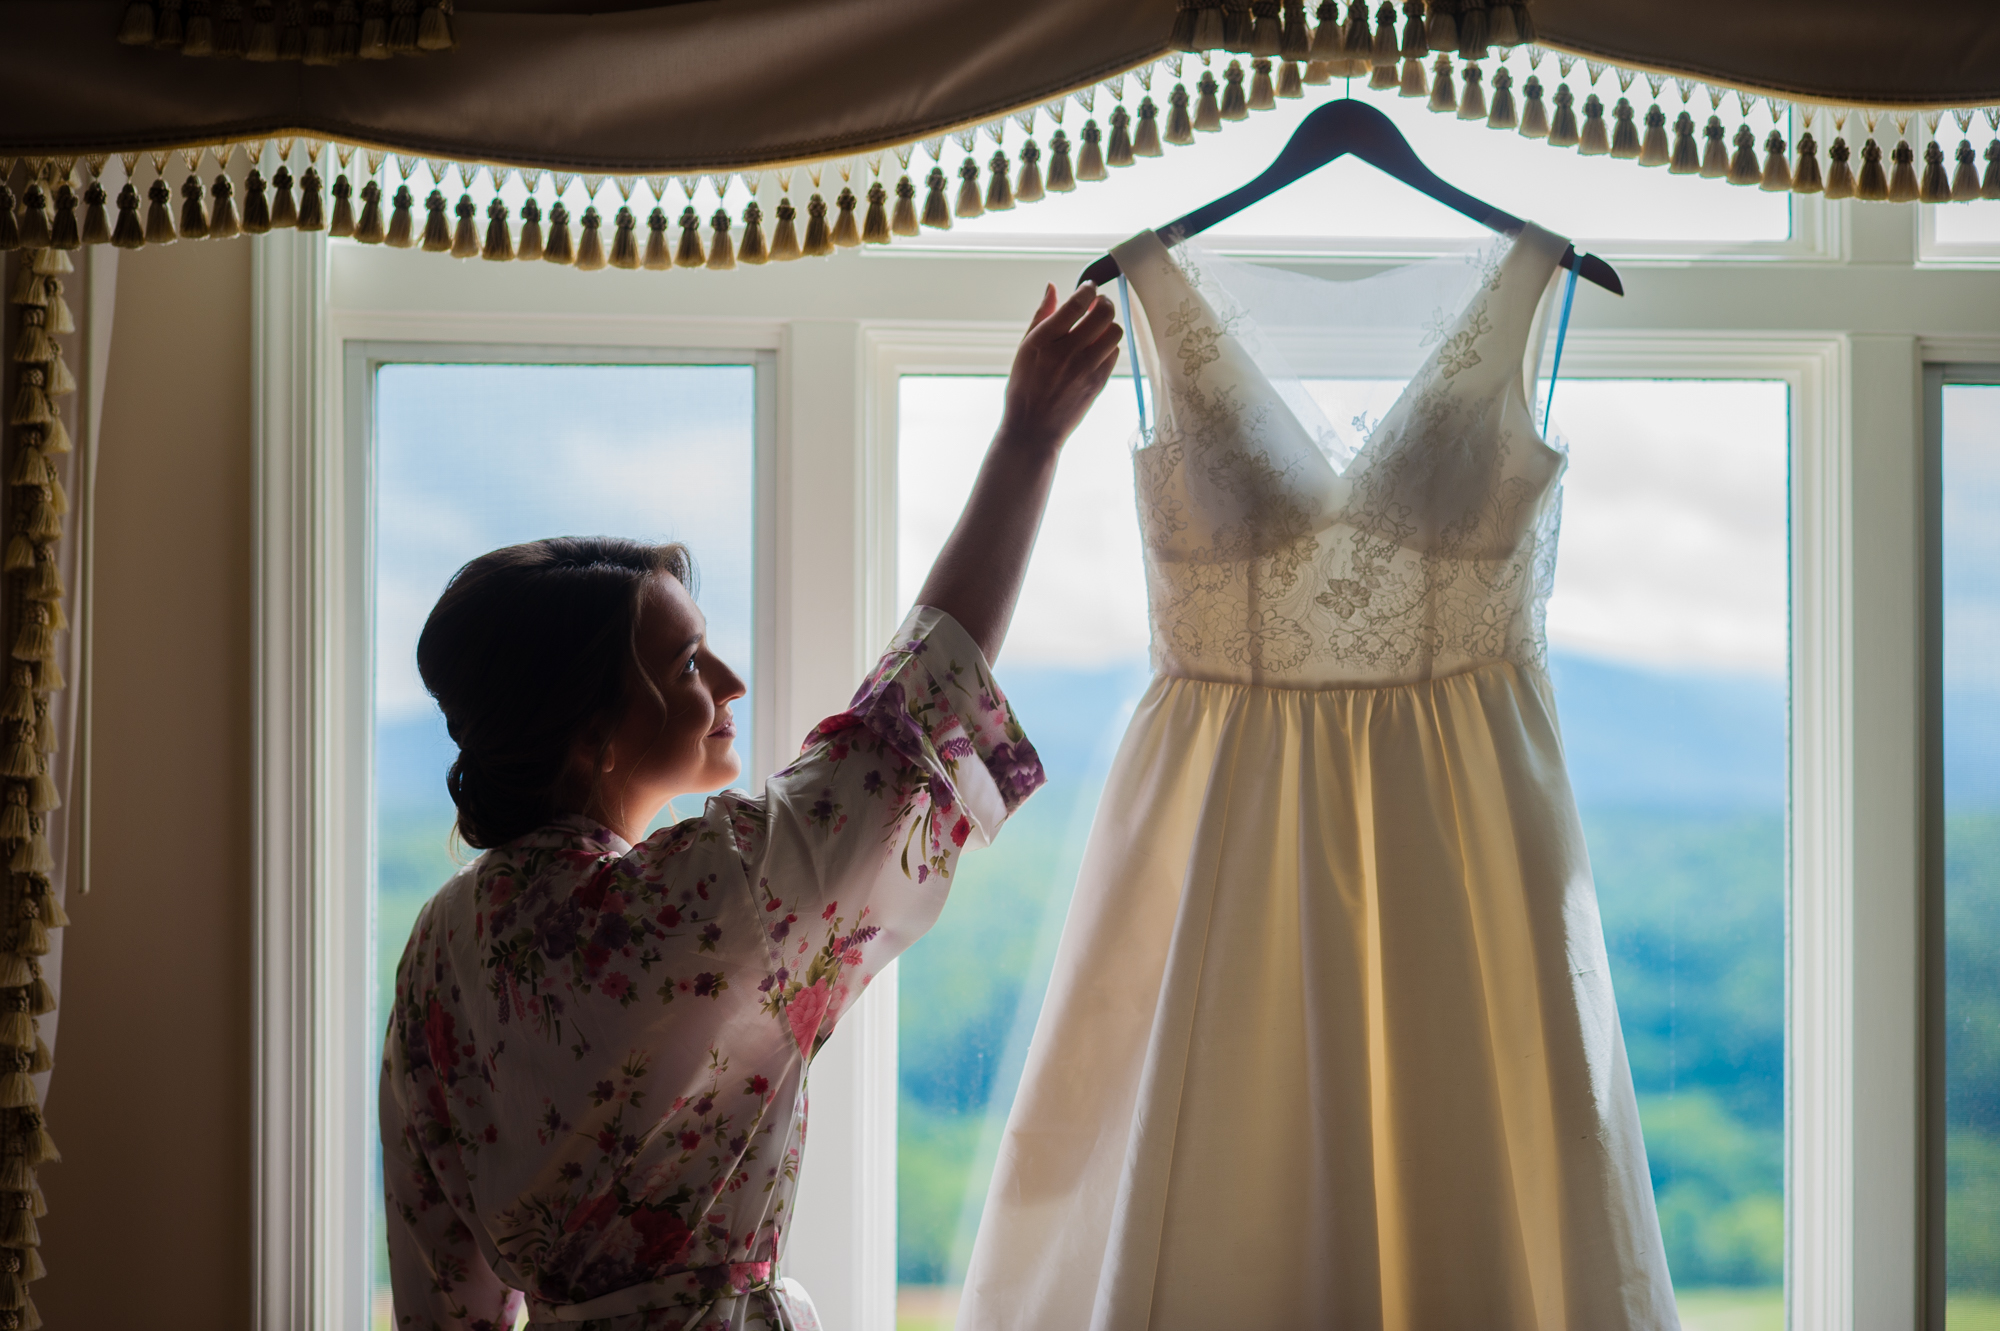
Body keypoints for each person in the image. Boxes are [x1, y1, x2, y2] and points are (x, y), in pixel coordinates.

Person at [380, 282, 1122, 1330]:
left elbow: (439, 1286)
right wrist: (1028, 440)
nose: (728, 680)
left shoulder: (437, 946)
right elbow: (903, 718)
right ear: (589, 731)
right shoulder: (688, 902)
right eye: (686, 660)